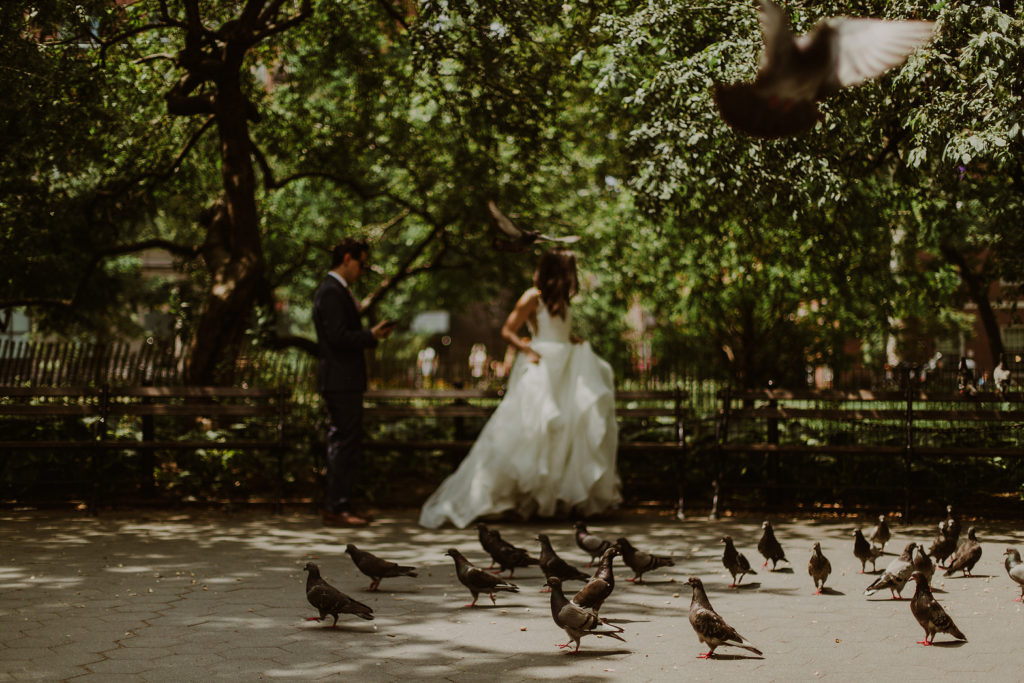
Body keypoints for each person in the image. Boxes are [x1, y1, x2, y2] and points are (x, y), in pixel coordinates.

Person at [419, 248, 621, 529]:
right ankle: (519, 498)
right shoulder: (532, 296)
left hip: (567, 367)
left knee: (566, 430)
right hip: (543, 368)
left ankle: (554, 500)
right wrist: (527, 349)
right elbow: (508, 330)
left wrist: (573, 339)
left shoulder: (561, 301)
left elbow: (559, 331)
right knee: (533, 430)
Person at [313, 238, 393, 527]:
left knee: (345, 442)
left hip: (343, 379)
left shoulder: (336, 290)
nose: (362, 270)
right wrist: (370, 335)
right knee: (343, 443)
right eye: (361, 263)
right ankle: (337, 507)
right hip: (340, 379)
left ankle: (340, 504)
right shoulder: (332, 291)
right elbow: (337, 337)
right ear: (347, 259)